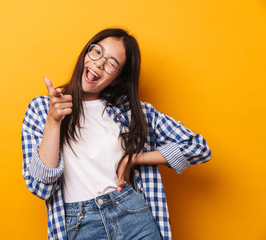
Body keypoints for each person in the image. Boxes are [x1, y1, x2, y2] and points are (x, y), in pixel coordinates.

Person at [21, 28, 211, 240]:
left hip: (132, 215)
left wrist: (134, 158)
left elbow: (198, 147)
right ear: (86, 53)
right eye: (97, 52)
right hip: (78, 225)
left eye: (112, 63)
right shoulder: (41, 109)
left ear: (118, 79)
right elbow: (41, 188)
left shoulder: (133, 112)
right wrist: (54, 121)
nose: (99, 63)